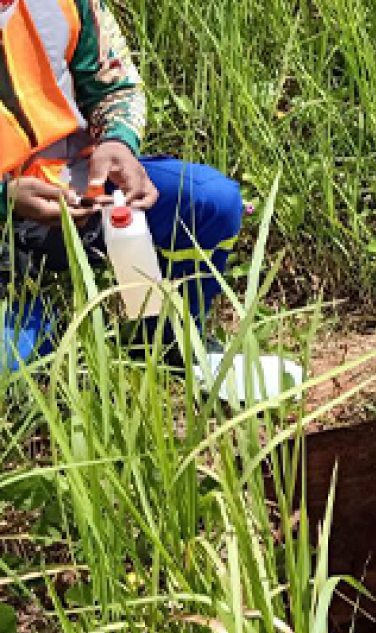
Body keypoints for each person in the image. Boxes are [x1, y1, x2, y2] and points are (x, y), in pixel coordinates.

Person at [0, 0, 243, 370]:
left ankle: (170, 339)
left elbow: (116, 86)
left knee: (210, 201)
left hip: (79, 186)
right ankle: (50, 338)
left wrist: (117, 143)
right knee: (15, 367)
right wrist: (7, 197)